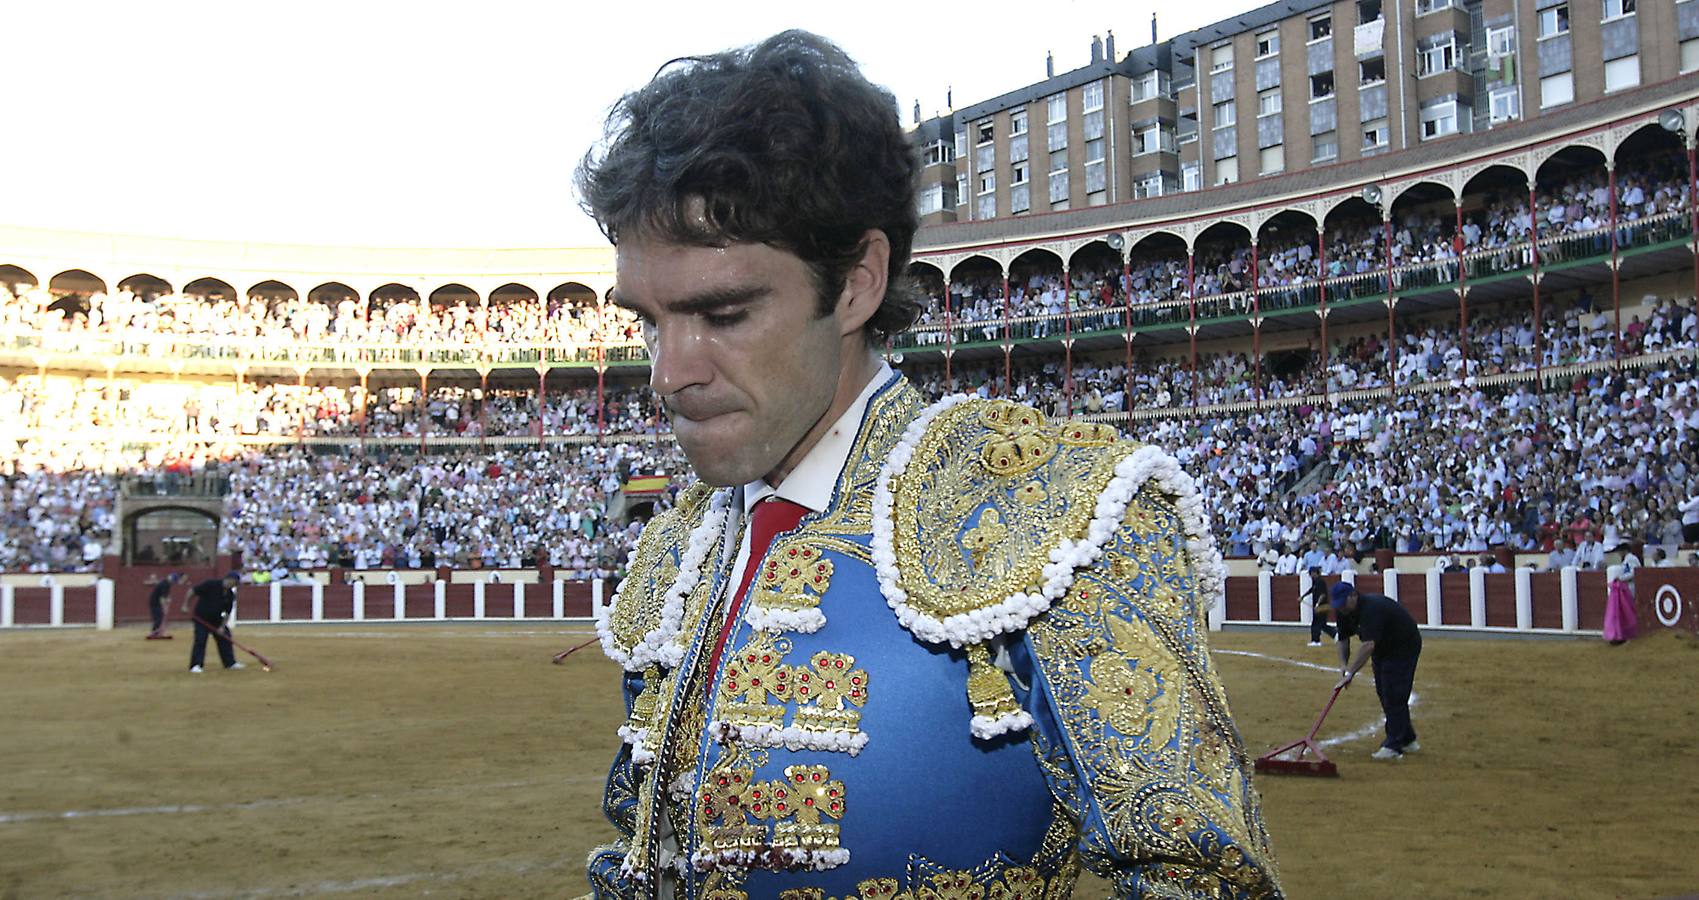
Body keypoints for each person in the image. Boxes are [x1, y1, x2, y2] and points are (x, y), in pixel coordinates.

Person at [576, 31, 1280, 899]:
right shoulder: (674, 555)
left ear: (858, 282)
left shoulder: (1049, 511)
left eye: (722, 313)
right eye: (648, 320)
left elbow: (1199, 880)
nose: (667, 371)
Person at [1330, 582, 1422, 760]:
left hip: (1403, 647)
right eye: (1338, 605)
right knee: (1384, 691)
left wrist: (1350, 674)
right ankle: (1408, 739)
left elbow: (1368, 645)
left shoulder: (1371, 609)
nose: (1340, 608)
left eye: (1343, 603)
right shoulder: (1344, 611)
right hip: (1382, 649)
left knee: (1394, 693)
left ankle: (1394, 745)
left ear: (1353, 596)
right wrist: (1343, 665)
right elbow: (1342, 639)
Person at [181, 572, 243, 674]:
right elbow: (192, 591)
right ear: (229, 579)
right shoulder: (211, 584)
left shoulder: (230, 594)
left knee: (226, 638)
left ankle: (229, 663)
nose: (234, 585)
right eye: (234, 583)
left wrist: (222, 627)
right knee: (200, 640)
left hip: (216, 620)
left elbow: (227, 612)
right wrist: (185, 605)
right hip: (201, 619)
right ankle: (196, 665)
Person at [145, 572, 182, 638]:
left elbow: (165, 596)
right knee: (158, 618)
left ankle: (159, 632)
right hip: (155, 602)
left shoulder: (166, 583)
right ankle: (155, 633)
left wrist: (168, 600)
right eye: (174, 581)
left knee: (160, 617)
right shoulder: (165, 584)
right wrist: (164, 607)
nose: (174, 583)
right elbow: (162, 598)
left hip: (156, 601)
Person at [1305, 566, 1335, 647]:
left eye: (1311, 573)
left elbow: (1322, 594)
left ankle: (1316, 640)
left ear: (1315, 573)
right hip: (1320, 606)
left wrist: (1318, 604)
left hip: (1322, 606)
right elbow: (1312, 590)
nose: (1310, 575)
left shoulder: (1320, 581)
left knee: (1317, 624)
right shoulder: (1315, 581)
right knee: (1321, 624)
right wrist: (1303, 596)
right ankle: (1335, 635)